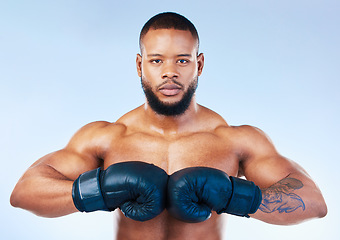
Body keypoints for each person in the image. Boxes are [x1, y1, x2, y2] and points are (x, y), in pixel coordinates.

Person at [10, 12, 327, 240]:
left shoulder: (234, 141)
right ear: (140, 65)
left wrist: (233, 194)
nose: (170, 72)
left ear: (199, 64)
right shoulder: (105, 138)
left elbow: (313, 203)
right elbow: (25, 191)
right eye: (157, 60)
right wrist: (103, 188)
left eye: (182, 60)